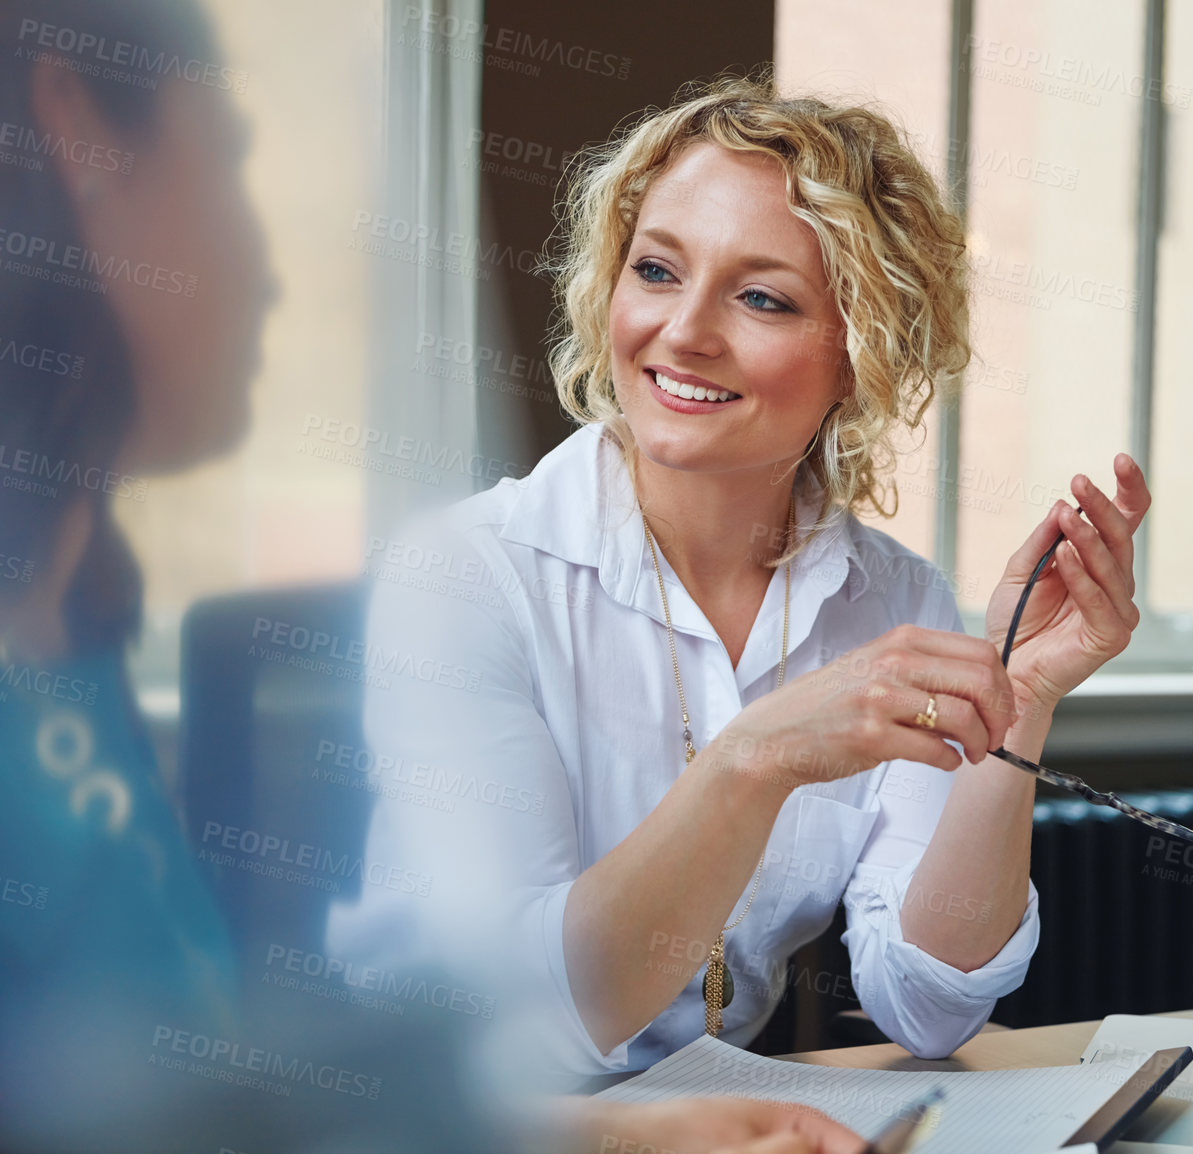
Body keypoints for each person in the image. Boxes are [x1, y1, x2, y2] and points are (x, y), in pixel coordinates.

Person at [0, 3, 863, 1148]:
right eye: (226, 161)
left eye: (761, 296)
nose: (263, 274)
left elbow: (219, 1119)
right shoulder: (466, 572)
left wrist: (621, 1137)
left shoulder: (67, 644)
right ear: (78, 137)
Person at [327, 71, 1151, 1091]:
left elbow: (929, 1003)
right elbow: (513, 1022)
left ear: (860, 350)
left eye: (761, 296)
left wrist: (1015, 704)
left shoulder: (892, 604)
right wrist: (755, 754)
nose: (685, 331)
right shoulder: (464, 574)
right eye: (657, 270)